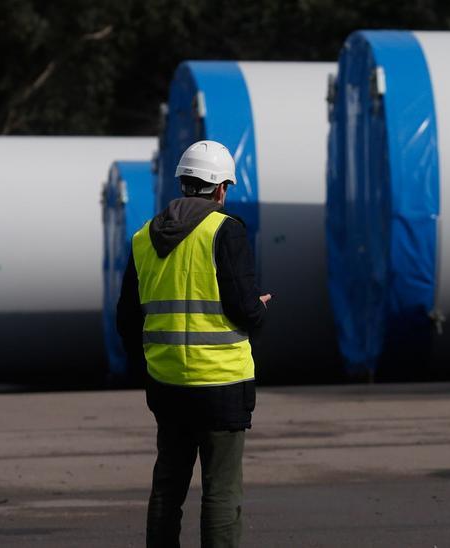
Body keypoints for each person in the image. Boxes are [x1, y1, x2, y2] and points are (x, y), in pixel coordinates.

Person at [117, 140, 271, 547]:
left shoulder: (142, 239)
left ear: (183, 183)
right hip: (222, 386)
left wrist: (153, 365)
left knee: (168, 486)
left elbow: (126, 319)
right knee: (221, 490)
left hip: (167, 387)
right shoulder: (226, 230)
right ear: (221, 188)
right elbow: (244, 309)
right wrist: (258, 307)